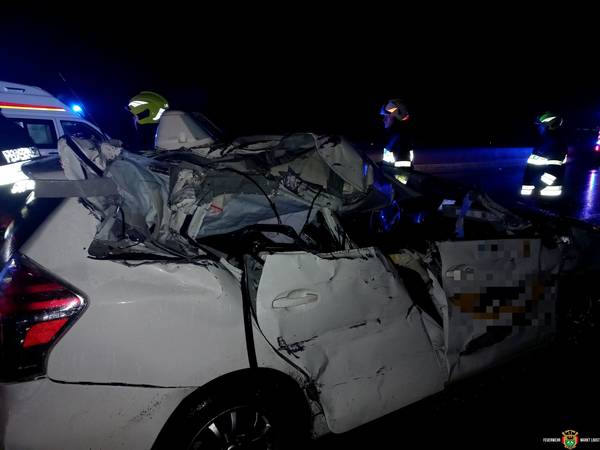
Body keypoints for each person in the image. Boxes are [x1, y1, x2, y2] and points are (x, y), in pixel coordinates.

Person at [520, 111, 567, 198]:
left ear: (548, 126)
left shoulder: (556, 145)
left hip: (546, 196)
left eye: (540, 125)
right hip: (536, 196)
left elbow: (552, 172)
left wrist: (537, 188)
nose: (537, 128)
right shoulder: (543, 143)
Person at [380, 98, 414, 169]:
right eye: (384, 116)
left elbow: (403, 171)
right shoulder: (394, 137)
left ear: (397, 119)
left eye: (387, 116)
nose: (384, 120)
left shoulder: (400, 140)